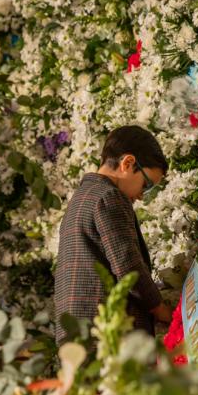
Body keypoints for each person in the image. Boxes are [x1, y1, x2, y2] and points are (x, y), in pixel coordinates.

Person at [54, 125, 173, 344]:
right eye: (146, 185)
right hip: (107, 333)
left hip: (78, 332)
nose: (142, 195)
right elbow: (128, 267)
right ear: (127, 163)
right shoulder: (109, 197)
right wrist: (161, 309)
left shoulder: (80, 199)